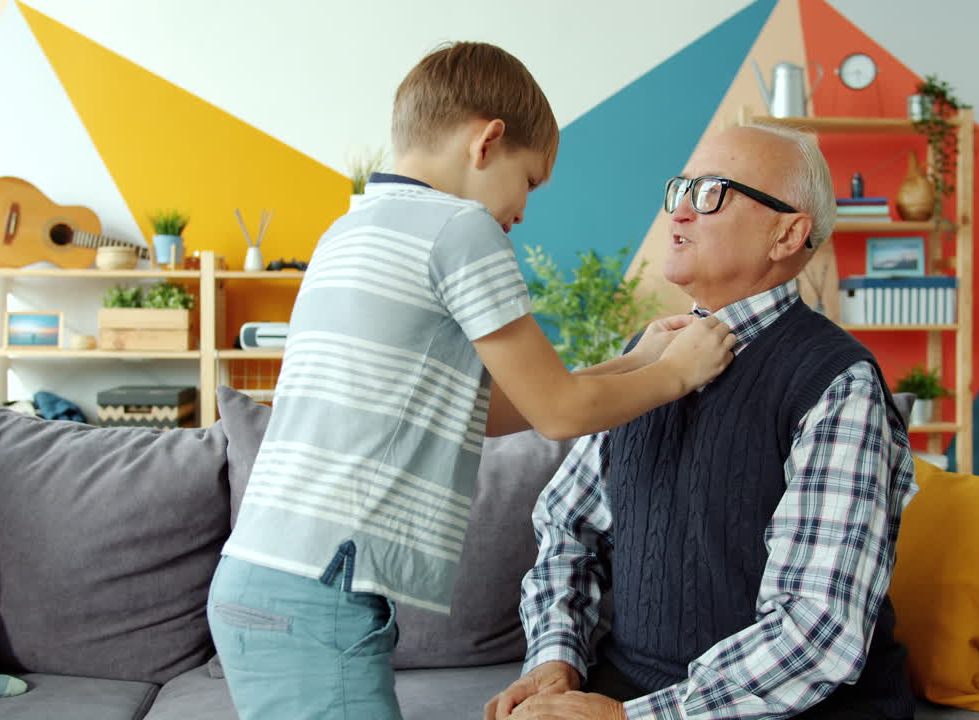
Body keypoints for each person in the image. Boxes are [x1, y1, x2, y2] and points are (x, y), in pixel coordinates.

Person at [206, 41, 737, 720]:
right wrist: (679, 374)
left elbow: (481, 412)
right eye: (530, 180)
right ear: (487, 142)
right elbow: (559, 413)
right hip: (320, 592)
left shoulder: (350, 229)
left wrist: (638, 362)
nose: (524, 209)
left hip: (263, 580)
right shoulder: (459, 228)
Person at [486, 123, 919, 720]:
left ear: (786, 234)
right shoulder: (650, 354)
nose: (680, 212)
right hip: (637, 697)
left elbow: (816, 631)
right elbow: (568, 535)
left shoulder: (838, 384)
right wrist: (554, 662)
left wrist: (628, 718)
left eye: (712, 191)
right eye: (680, 190)